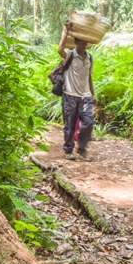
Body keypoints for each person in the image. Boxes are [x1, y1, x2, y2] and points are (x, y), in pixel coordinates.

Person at [53, 20, 97, 161]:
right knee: (70, 124)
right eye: (81, 42)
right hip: (70, 95)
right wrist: (66, 31)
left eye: (85, 42)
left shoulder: (89, 57)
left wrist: (93, 94)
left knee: (88, 122)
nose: (83, 44)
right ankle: (68, 150)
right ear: (76, 42)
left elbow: (88, 77)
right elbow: (60, 50)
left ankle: (82, 148)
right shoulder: (70, 55)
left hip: (85, 96)